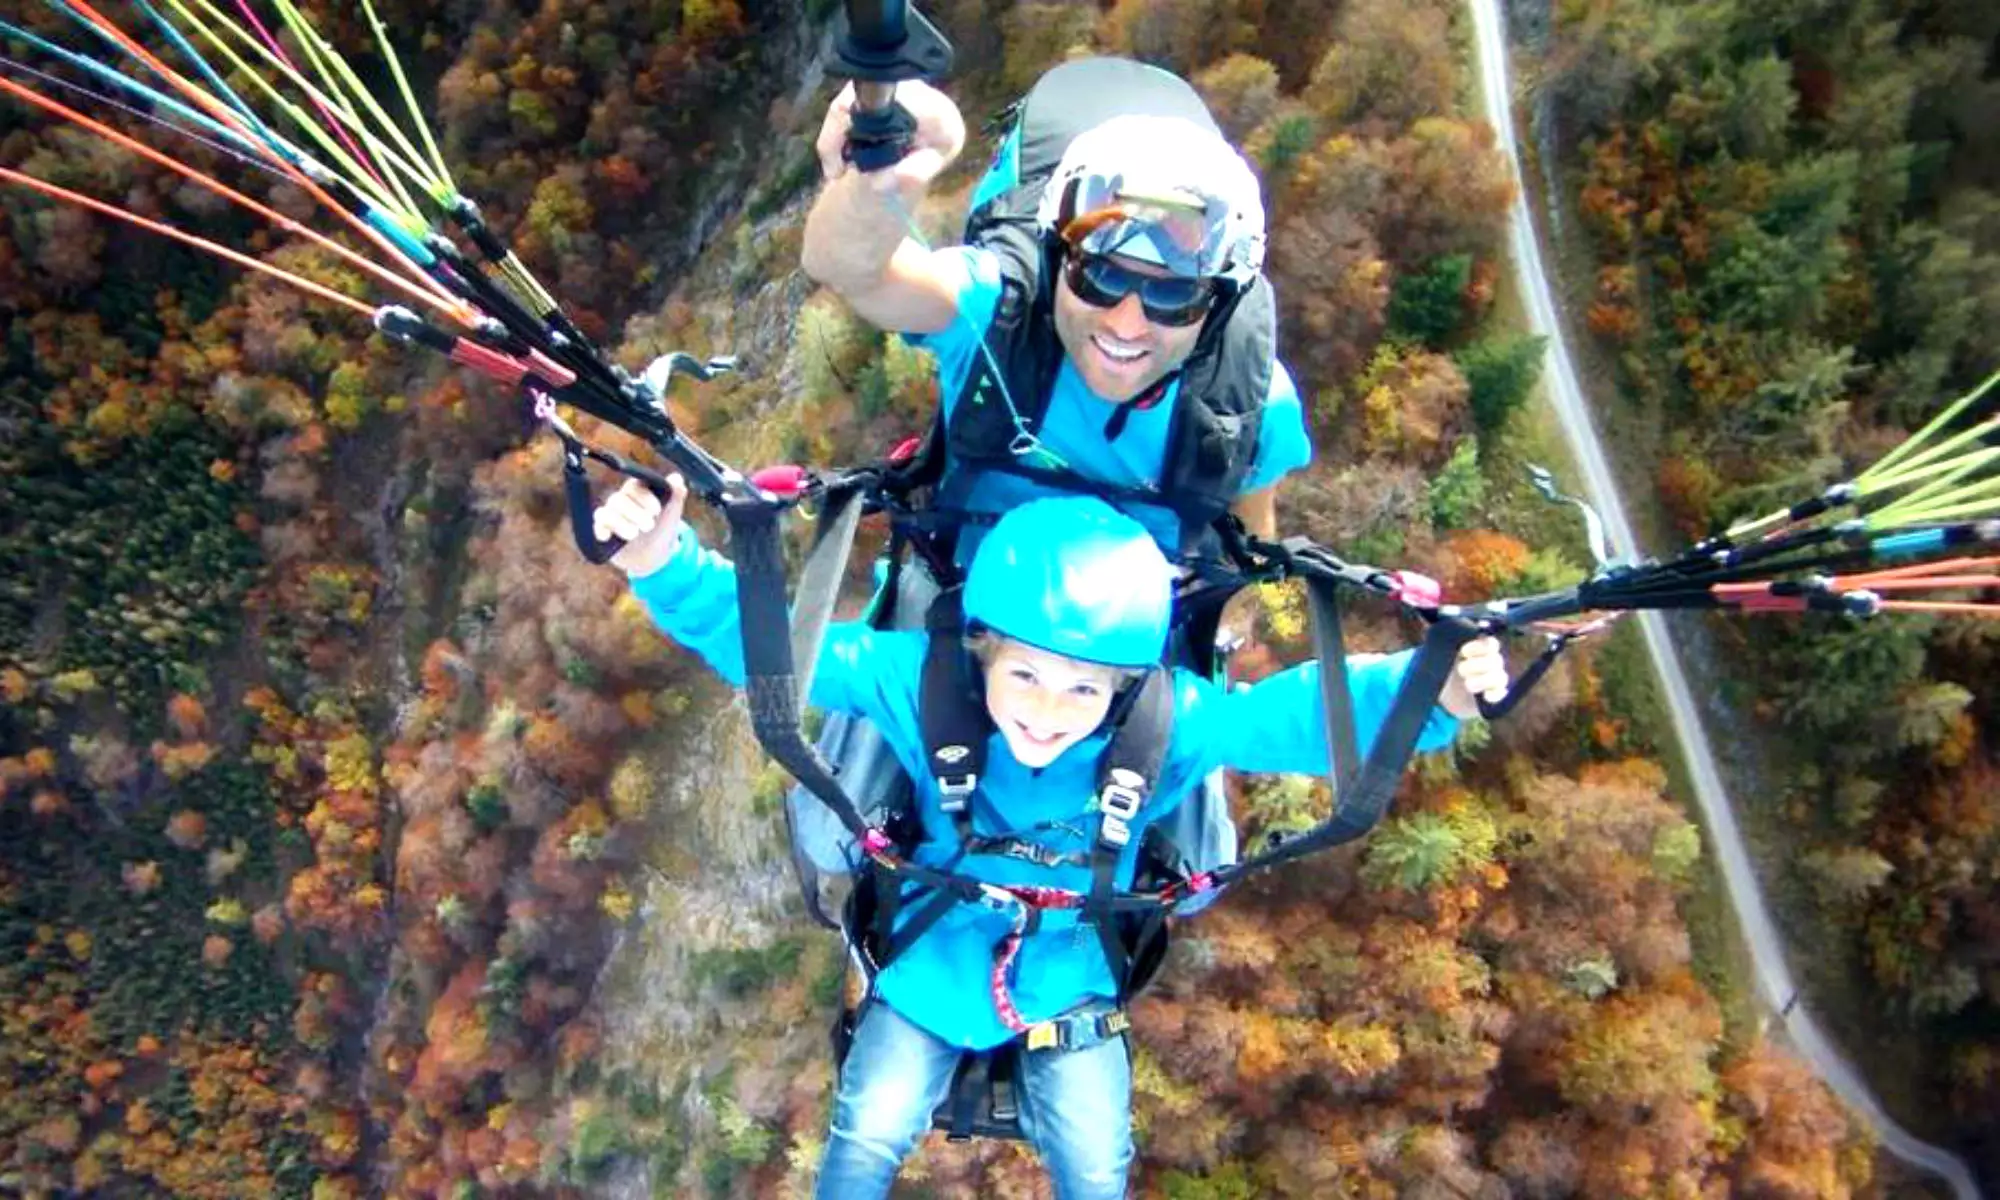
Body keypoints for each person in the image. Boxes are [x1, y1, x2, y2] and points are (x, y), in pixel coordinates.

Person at [593, 476, 1509, 1199]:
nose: (1046, 713)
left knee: (1096, 1172)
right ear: (983, 651)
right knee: (864, 1140)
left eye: (1083, 690)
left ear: (1122, 689)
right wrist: (660, 558)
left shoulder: (1167, 724)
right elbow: (778, 654)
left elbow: (1297, 718)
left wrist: (1438, 691)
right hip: (927, 968)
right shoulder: (922, 686)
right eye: (1025, 675)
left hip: (1068, 989)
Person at [801, 61, 1309, 554]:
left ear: (1217, 306)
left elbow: (1252, 527)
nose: (1126, 324)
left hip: (1139, 629)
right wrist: (882, 178)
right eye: (1099, 275)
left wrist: (1232, 621)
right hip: (958, 607)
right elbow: (852, 270)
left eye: (1173, 295)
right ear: (1054, 260)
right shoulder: (1001, 313)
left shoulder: (1251, 400)